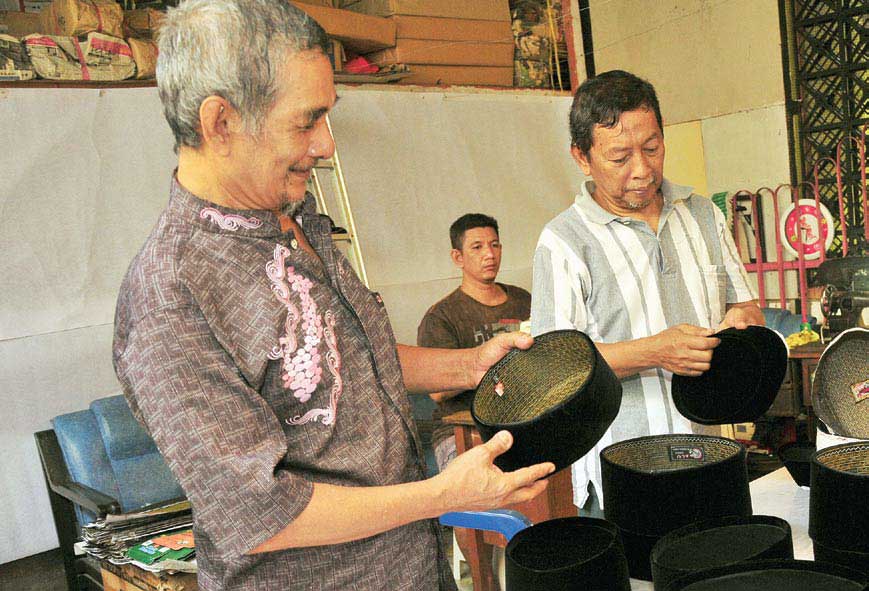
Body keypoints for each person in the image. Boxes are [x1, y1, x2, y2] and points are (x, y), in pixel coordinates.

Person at [112, 2, 554, 590]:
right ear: (220, 123)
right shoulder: (170, 296)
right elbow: (261, 515)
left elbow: (349, 360)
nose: (327, 144)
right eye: (306, 121)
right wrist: (439, 494)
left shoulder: (295, 216)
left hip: (413, 569)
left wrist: (469, 364)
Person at [531, 70, 763, 516]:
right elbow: (553, 373)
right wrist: (656, 351)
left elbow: (746, 307)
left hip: (714, 457)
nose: (642, 170)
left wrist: (743, 327)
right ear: (582, 157)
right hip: (625, 473)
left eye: (652, 148)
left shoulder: (701, 215)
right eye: (620, 157)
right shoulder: (564, 242)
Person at [418, 213, 531, 471]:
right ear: (458, 257)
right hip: (461, 429)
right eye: (477, 247)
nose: (489, 254)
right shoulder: (442, 316)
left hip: (522, 420)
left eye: (495, 245)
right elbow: (437, 391)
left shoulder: (523, 300)